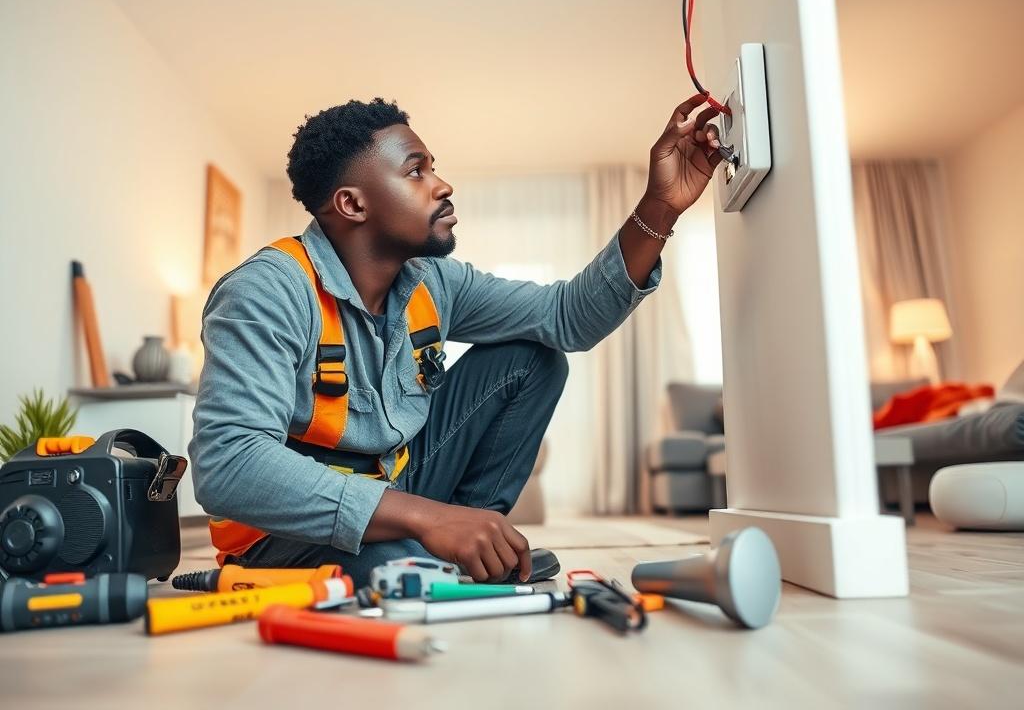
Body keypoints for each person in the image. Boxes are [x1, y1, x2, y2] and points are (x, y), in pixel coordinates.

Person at [189, 94, 723, 588]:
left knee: (531, 357)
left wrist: (661, 206)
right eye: (415, 171)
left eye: (433, 167)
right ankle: (431, 553)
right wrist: (430, 517)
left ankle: (473, 545)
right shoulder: (266, 292)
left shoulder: (433, 282)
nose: (442, 185)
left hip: (395, 494)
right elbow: (230, 465)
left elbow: (566, 317)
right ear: (353, 205)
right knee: (394, 573)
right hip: (282, 538)